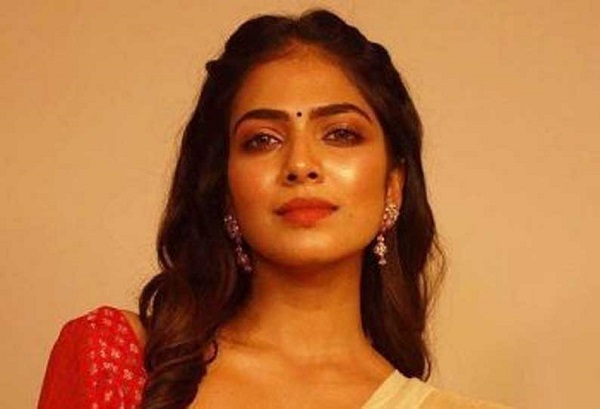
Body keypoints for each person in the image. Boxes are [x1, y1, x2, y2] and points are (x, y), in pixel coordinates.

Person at [38, 9, 508, 409]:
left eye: (341, 134)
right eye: (262, 140)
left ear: (393, 185)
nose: (300, 164)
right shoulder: (118, 361)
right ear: (225, 187)